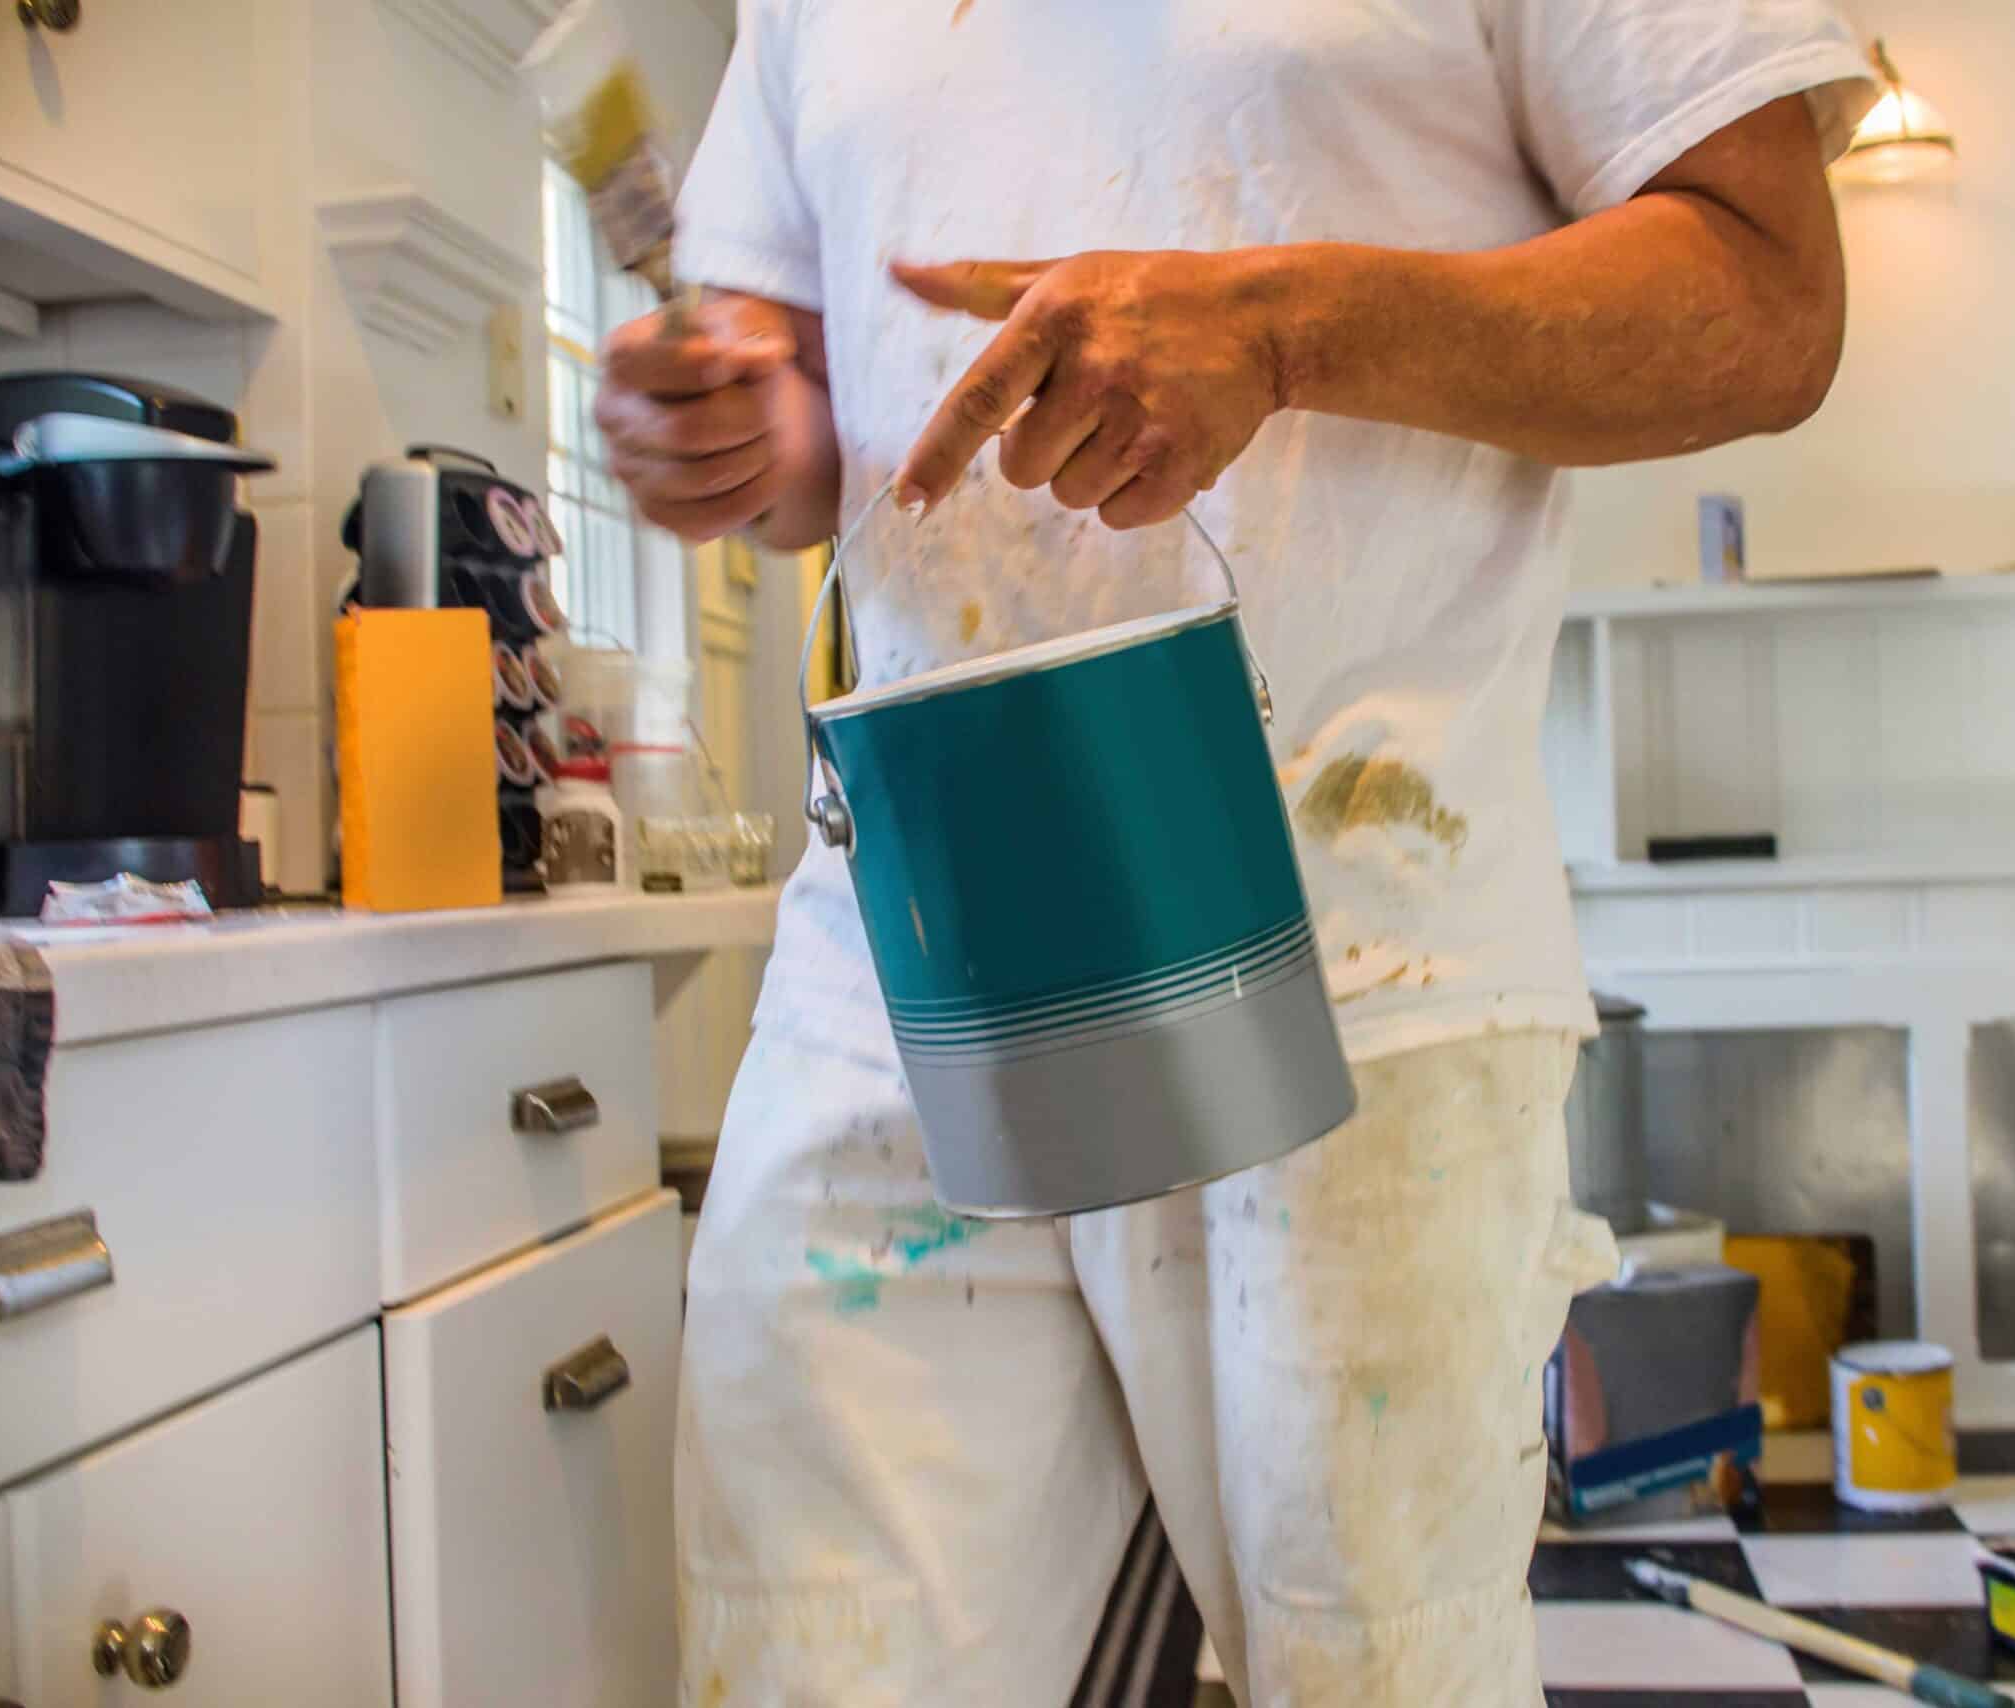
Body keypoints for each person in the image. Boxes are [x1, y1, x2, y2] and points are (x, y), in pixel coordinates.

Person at [597, 4, 1873, 1701]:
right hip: (912, 945)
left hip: (1354, 955)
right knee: (817, 1663)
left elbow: (1770, 308)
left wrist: (1282, 326)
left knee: (1365, 1672)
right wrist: (727, 431)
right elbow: (819, 433)